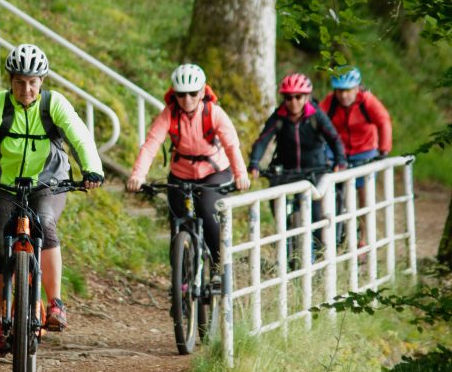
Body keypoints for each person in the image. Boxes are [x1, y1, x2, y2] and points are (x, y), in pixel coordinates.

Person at [0, 43, 104, 357]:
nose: (26, 88)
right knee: (3, 249)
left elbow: (79, 135)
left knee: (45, 222)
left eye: (32, 82)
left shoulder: (54, 104)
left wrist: (92, 169)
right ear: (10, 81)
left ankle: (55, 303)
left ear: (42, 81)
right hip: (4, 186)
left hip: (48, 184)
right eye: (19, 82)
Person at [126, 64, 251, 273]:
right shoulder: (169, 114)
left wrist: (241, 175)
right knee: (177, 222)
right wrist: (138, 175)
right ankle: (181, 279)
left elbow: (231, 145)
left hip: (214, 172)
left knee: (206, 208)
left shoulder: (214, 113)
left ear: (203, 92)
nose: (188, 100)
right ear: (174, 95)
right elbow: (151, 144)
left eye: (193, 94)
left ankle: (219, 268)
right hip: (181, 173)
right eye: (181, 95)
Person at [248, 73, 347, 254]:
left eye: (298, 97)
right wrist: (254, 162)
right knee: (278, 208)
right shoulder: (278, 117)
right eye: (288, 97)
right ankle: (286, 249)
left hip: (315, 171)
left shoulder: (316, 115)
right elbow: (262, 140)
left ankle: (317, 256)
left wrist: (340, 159)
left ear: (307, 97)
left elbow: (334, 138)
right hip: (286, 171)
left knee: (317, 216)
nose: (293, 102)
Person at [319, 66, 392, 247]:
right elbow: (317, 123)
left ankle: (364, 240)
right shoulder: (329, 102)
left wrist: (383, 150)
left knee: (364, 195)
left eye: (348, 91)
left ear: (357, 88)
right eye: (340, 91)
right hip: (339, 151)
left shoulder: (366, 100)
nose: (344, 96)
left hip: (364, 149)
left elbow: (384, 121)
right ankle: (330, 237)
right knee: (330, 189)